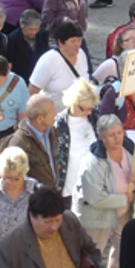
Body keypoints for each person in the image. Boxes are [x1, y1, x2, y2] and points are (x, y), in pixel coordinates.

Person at [73, 114, 135, 268]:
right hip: (96, 215)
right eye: (111, 135)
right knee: (93, 253)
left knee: (124, 247)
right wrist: (124, 198)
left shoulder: (130, 148)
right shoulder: (92, 163)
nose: (117, 138)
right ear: (101, 138)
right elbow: (95, 197)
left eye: (119, 132)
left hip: (125, 212)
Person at [54, 78, 99, 209]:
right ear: (74, 102)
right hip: (69, 190)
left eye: (91, 109)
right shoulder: (58, 125)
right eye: (84, 109)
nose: (88, 113)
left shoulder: (95, 118)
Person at [41, 0, 93, 69]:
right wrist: (63, 20)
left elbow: (84, 9)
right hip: (63, 41)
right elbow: (46, 18)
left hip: (79, 36)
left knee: (86, 68)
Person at [0, 94, 58, 187]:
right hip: (35, 198)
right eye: (52, 112)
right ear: (40, 118)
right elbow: (15, 178)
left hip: (53, 195)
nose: (55, 115)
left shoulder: (52, 132)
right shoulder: (19, 142)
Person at [29, 20, 89, 112]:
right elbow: (33, 90)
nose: (78, 44)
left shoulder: (81, 54)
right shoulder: (49, 60)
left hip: (77, 115)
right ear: (60, 42)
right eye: (73, 41)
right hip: (53, 117)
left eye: (79, 40)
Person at [8, 9, 50, 81]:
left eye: (36, 29)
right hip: (22, 79)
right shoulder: (12, 39)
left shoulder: (43, 34)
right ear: (21, 25)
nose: (33, 32)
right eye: (30, 29)